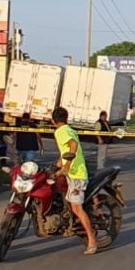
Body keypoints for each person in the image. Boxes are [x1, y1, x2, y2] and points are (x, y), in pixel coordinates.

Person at [51, 106, 97, 255]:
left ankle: (92, 241)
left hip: (76, 174)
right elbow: (65, 152)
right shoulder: (69, 129)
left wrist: (67, 166)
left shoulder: (61, 131)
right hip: (73, 173)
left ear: (53, 121)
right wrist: (57, 165)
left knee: (77, 208)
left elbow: (73, 145)